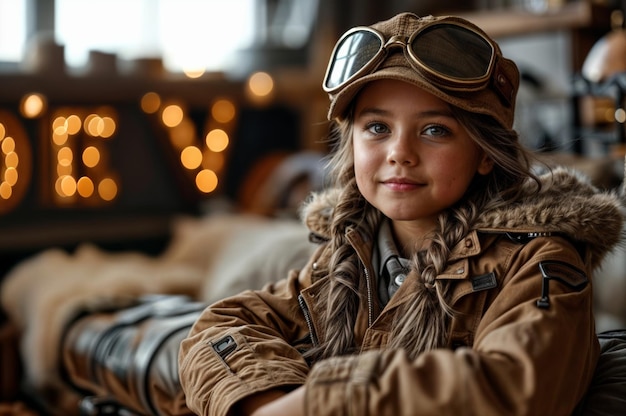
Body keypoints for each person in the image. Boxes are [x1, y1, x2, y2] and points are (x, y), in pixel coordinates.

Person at [178, 12, 625, 415]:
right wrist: (263, 403)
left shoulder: (538, 260)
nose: (400, 154)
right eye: (377, 128)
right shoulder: (349, 255)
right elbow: (221, 327)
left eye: (435, 130)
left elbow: (517, 386)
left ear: (485, 154)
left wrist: (320, 402)